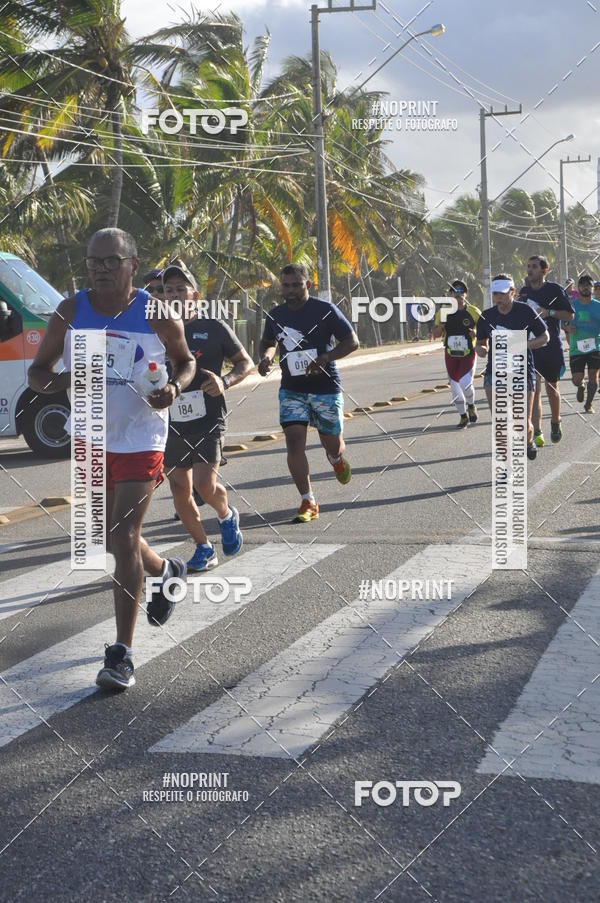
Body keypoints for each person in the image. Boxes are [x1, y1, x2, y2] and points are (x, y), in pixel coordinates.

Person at [28, 228, 196, 691]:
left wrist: (174, 389)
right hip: (88, 439)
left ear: (132, 264)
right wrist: (66, 382)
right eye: (92, 262)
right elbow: (37, 374)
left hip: (142, 436)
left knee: (123, 536)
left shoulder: (156, 312)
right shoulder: (70, 312)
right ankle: (166, 571)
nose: (99, 269)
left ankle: (121, 653)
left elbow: (186, 362)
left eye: (109, 261)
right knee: (106, 537)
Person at [161, 259, 253, 571]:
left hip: (208, 418)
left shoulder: (213, 328)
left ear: (195, 295)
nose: (173, 295)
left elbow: (245, 363)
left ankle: (227, 515)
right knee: (178, 490)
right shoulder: (154, 331)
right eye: (167, 290)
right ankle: (203, 547)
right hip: (171, 421)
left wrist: (224, 381)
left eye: (180, 289)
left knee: (203, 484)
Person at [258, 263, 359, 523]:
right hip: (292, 389)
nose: (290, 290)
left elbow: (352, 342)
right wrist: (267, 358)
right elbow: (268, 342)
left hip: (325, 388)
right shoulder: (275, 314)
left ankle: (336, 459)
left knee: (332, 442)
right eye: (286, 285)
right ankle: (308, 499)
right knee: (293, 441)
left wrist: (326, 357)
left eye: (296, 285)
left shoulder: (325, 311)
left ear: (308, 284)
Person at [475, 273, 549, 460]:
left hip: (521, 372)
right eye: (495, 293)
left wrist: (523, 344)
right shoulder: (486, 316)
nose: (498, 297)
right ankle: (507, 466)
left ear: (512, 292)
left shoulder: (525, 311)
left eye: (502, 293)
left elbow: (544, 337)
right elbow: (481, 342)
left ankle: (527, 441)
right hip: (495, 373)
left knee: (521, 424)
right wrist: (481, 349)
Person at [518, 255, 574, 447]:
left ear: (544, 270)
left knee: (552, 389)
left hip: (551, 348)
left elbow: (569, 314)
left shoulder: (555, 290)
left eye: (534, 266)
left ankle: (556, 421)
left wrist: (548, 312)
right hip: (532, 347)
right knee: (534, 389)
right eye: (528, 266)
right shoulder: (523, 293)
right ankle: (537, 431)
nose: (530, 270)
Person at [432, 279, 480, 428]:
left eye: (461, 292)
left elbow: (484, 331)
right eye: (455, 291)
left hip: (468, 353)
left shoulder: (474, 311)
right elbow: (436, 334)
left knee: (465, 383)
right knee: (455, 388)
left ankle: (471, 405)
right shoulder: (443, 312)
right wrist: (442, 326)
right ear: (450, 294)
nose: (458, 294)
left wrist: (476, 334)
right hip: (451, 354)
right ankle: (463, 416)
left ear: (465, 294)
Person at [564, 274, 600, 413]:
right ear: (578, 288)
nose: (585, 287)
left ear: (592, 288)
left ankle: (589, 404)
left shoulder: (598, 306)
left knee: (593, 376)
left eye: (588, 285)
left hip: (595, 346)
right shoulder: (572, 306)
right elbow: (563, 322)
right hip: (576, 348)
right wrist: (567, 328)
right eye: (582, 285)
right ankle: (581, 386)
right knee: (576, 379)